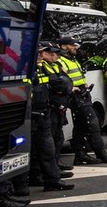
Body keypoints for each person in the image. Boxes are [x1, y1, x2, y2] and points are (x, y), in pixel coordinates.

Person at [57, 38, 107, 164]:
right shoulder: (61, 61)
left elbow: (78, 77)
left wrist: (84, 85)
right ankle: (101, 154)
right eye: (72, 45)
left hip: (83, 94)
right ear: (63, 46)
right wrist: (72, 88)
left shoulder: (73, 59)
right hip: (75, 96)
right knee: (92, 123)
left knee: (80, 126)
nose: (76, 47)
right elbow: (62, 79)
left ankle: (80, 155)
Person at [28, 43, 74, 192]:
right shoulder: (29, 70)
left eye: (42, 53)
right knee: (33, 149)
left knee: (48, 148)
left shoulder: (41, 69)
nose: (41, 55)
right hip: (32, 114)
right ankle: (32, 179)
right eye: (40, 53)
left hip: (45, 112)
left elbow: (51, 87)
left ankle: (52, 180)